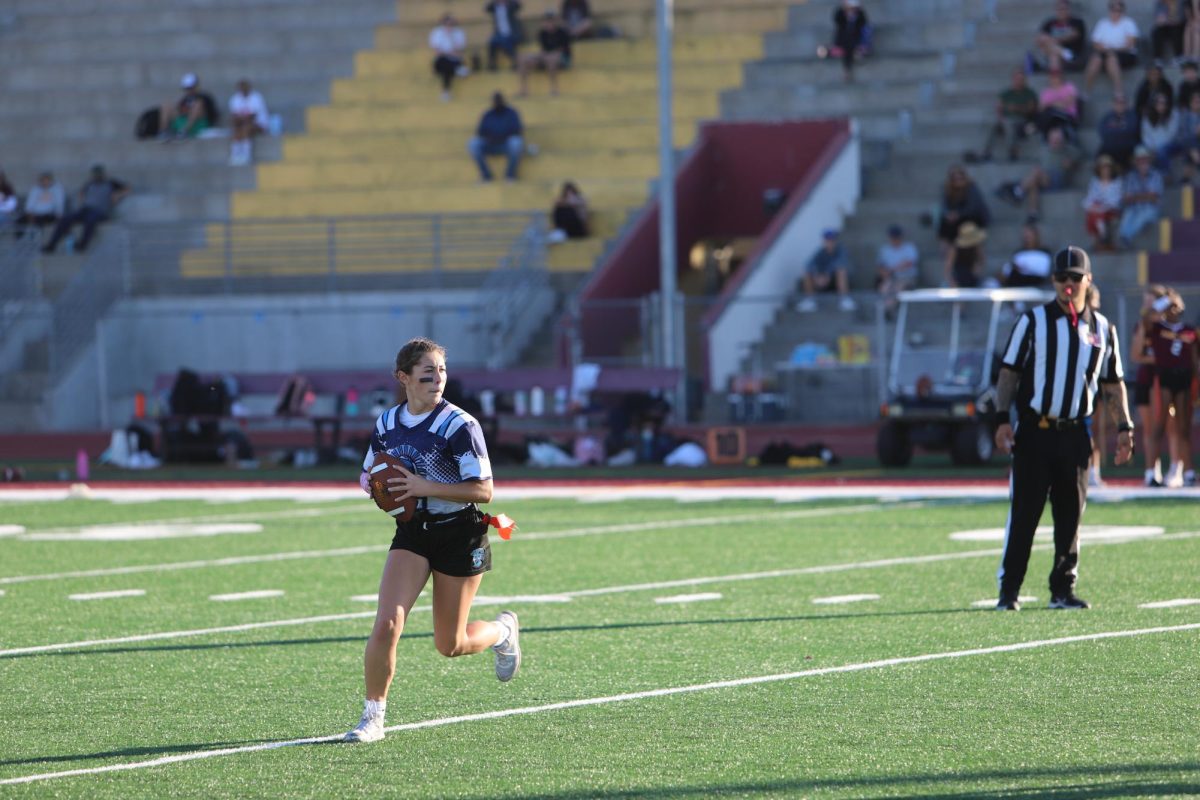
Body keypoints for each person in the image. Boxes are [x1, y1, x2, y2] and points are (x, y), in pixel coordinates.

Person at [342, 337, 521, 744]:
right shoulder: (387, 422)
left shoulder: (460, 424)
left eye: (441, 371)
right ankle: (373, 718)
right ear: (403, 378)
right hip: (412, 534)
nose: (437, 379)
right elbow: (371, 470)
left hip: (460, 533)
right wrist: (370, 483)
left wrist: (424, 485)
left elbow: (483, 490)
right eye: (427, 373)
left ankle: (502, 632)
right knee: (387, 621)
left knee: (451, 644)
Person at [992, 246, 1134, 611]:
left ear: (1088, 280)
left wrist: (1124, 426)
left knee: (1071, 515)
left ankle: (1062, 588)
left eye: (1074, 277)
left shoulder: (1102, 328)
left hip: (1075, 433)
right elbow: (1009, 373)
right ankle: (1009, 590)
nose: (1067, 284)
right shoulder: (1033, 322)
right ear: (1053, 281)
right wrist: (1000, 420)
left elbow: (1112, 382)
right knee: (1025, 513)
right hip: (1036, 430)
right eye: (1061, 277)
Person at [1147, 289, 1199, 486]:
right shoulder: (1158, 327)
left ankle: (1188, 472)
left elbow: (1194, 359)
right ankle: (1151, 472)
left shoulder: (1189, 330)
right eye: (1171, 304)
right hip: (1165, 378)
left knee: (1184, 427)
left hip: (1184, 379)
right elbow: (1146, 315)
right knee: (1159, 426)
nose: (1174, 308)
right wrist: (1165, 301)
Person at [1129, 284, 1177, 486]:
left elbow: (1175, 353)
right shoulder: (1142, 326)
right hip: (1147, 379)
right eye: (1146, 301)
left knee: (1171, 426)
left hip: (1168, 379)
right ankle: (1152, 470)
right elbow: (1136, 355)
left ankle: (1176, 468)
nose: (1148, 306)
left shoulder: (1170, 326)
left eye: (1152, 301)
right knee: (1149, 428)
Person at [40, 165, 129, 254]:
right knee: (65, 219)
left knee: (90, 220)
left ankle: (82, 245)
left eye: (99, 174)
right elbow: (81, 192)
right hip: (86, 209)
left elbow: (127, 188)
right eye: (95, 174)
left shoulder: (111, 183)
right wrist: (83, 199)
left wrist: (118, 195)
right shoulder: (90, 184)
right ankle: (51, 245)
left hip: (100, 212)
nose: (97, 176)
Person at [1008, 126, 1083, 216]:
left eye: (1058, 139)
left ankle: (1018, 191)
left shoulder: (1068, 149)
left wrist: (1072, 163)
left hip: (1057, 179)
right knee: (1033, 184)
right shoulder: (1043, 149)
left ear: (1062, 139)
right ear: (1049, 139)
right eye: (1053, 138)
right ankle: (1033, 213)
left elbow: (1080, 154)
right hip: (1044, 178)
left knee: (1037, 172)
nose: (1055, 141)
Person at [977, 69, 1040, 162]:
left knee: (1008, 123)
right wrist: (1000, 118)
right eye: (1017, 79)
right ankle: (986, 152)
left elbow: (1031, 109)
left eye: (1021, 79)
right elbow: (999, 107)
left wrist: (1017, 108)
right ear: (1013, 79)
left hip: (1023, 120)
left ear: (1025, 80)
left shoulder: (1029, 93)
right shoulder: (1006, 93)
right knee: (992, 122)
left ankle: (1012, 151)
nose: (1019, 81)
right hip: (1006, 119)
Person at [1084, 0, 1140, 96]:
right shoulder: (1102, 23)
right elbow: (1095, 43)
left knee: (1112, 58)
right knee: (1095, 59)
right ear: (1109, 10)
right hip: (1106, 51)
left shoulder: (1128, 23)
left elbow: (1130, 44)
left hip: (1126, 53)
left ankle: (1118, 91)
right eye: (1113, 10)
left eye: (1119, 10)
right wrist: (1106, 50)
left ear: (1123, 11)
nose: (1116, 12)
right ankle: (1086, 91)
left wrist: (1112, 50)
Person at [468, 92, 524, 182]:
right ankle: (486, 176)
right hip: (490, 144)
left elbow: (517, 130)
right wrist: (489, 137)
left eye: (499, 100)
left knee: (516, 143)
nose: (497, 102)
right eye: (495, 100)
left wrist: (502, 136)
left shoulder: (511, 113)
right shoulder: (488, 114)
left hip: (506, 144)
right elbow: (480, 131)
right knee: (473, 144)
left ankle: (510, 175)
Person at [797, 229, 855, 312]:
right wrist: (816, 276)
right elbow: (809, 264)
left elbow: (840, 263)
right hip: (824, 281)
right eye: (827, 240)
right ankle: (810, 300)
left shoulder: (842, 250)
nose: (829, 242)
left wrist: (827, 275)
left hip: (842, 281)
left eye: (832, 240)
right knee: (807, 272)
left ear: (835, 241)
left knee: (840, 270)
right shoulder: (820, 252)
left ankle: (844, 299)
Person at [1117, 146, 1164, 248]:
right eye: (1140, 160)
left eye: (1145, 159)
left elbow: (1153, 197)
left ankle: (1127, 237)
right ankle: (1123, 238)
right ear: (1136, 162)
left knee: (1144, 214)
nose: (1143, 162)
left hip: (1151, 208)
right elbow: (1126, 198)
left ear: (1149, 160)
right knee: (1128, 213)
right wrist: (1144, 196)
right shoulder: (1131, 176)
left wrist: (1135, 197)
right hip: (1134, 207)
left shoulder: (1156, 175)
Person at [937, 165, 991, 253]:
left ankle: (975, 254)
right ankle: (947, 251)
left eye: (960, 178)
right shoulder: (948, 190)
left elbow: (973, 208)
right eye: (955, 179)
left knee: (967, 226)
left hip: (974, 217)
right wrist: (948, 214)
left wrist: (957, 214)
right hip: (957, 218)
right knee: (945, 222)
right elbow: (943, 207)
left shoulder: (972, 188)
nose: (958, 181)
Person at [518, 11, 571, 96]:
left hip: (563, 59)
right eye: (547, 21)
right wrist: (537, 58)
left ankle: (554, 89)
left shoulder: (562, 32)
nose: (549, 23)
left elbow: (561, 51)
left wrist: (544, 56)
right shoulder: (542, 33)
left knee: (551, 58)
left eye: (551, 20)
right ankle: (524, 90)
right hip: (546, 57)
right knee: (523, 58)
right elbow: (543, 50)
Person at [1032, 0, 1088, 73]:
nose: (1061, 11)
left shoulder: (1077, 22)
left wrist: (1052, 40)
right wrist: (1050, 42)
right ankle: (1064, 53)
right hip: (1056, 54)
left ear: (1069, 9)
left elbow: (1073, 35)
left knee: (1053, 54)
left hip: (1074, 56)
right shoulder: (1049, 23)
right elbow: (1039, 39)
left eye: (1064, 9)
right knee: (1054, 55)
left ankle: (1054, 80)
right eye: (1059, 9)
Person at [158, 73, 219, 140]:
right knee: (166, 105)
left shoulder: (205, 98)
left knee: (198, 104)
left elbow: (211, 114)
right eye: (187, 88)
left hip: (199, 124)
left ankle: (185, 131)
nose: (189, 91)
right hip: (184, 121)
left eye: (191, 88)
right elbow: (180, 111)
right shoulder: (185, 99)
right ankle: (163, 131)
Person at [875, 224, 919, 316]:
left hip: (907, 277)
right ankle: (885, 310)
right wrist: (886, 274)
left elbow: (909, 263)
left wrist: (893, 269)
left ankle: (888, 309)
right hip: (890, 277)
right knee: (885, 287)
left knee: (898, 287)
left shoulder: (909, 248)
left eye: (896, 237)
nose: (895, 239)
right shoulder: (885, 250)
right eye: (893, 237)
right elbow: (880, 266)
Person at [1081, 154, 1123, 250]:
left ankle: (1102, 240)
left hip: (1112, 210)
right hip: (1098, 210)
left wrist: (1100, 208)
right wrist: (1094, 207)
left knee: (1096, 215)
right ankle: (1102, 239)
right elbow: (1089, 199)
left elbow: (1115, 202)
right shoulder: (1094, 182)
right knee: (1093, 214)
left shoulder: (1117, 183)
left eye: (1108, 168)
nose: (1106, 170)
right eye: (1103, 168)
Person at [999, 222, 1052, 287]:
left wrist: (1024, 268)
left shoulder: (1045, 252)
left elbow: (1043, 271)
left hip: (1036, 283)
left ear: (1036, 236)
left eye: (1029, 235)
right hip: (1018, 283)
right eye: (1025, 235)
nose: (1027, 238)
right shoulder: (1018, 253)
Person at [228, 79, 269, 166]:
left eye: (245, 88)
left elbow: (252, 117)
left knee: (246, 127)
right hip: (243, 123)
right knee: (236, 129)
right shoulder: (235, 98)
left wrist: (241, 118)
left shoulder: (256, 97)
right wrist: (241, 119)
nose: (243, 90)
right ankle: (236, 155)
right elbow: (234, 117)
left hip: (260, 124)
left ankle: (246, 156)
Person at [829, 0, 871, 83]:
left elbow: (864, 23)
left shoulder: (859, 14)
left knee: (851, 47)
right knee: (848, 48)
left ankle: (856, 56)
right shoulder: (841, 13)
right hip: (844, 41)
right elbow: (837, 20)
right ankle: (850, 66)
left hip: (856, 40)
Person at [430, 14, 469, 101]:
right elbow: (437, 52)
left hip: (453, 61)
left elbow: (459, 51)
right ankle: (457, 69)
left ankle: (446, 92)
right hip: (442, 61)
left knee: (447, 69)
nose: (449, 26)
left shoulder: (459, 33)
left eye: (451, 24)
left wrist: (451, 37)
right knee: (445, 63)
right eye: (447, 24)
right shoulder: (437, 33)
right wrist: (450, 53)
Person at [1141, 91, 1180, 174]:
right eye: (1158, 103)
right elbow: (1145, 136)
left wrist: (1157, 148)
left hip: (1172, 145)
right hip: (1153, 147)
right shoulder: (1147, 117)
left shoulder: (1174, 114)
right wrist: (1152, 148)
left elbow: (1172, 135)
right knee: (1140, 152)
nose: (1161, 105)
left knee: (1161, 151)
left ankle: (1165, 174)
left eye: (1163, 103)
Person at [1097, 93, 1140, 168]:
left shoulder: (1132, 116)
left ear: (1126, 104)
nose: (1120, 105)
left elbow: (1130, 131)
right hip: (1109, 146)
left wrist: (1113, 129)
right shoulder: (1107, 117)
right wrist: (1121, 128)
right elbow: (1103, 133)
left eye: (1122, 102)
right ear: (1113, 104)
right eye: (1117, 102)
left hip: (1127, 146)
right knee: (1100, 156)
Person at [945, 221, 986, 288]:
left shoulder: (976, 247)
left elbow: (982, 260)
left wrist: (978, 268)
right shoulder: (955, 249)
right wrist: (952, 282)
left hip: (972, 278)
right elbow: (948, 267)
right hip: (958, 279)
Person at [485, 0, 523, 72]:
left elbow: (519, 5)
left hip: (512, 33)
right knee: (492, 42)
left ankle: (516, 61)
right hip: (499, 34)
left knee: (505, 41)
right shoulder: (494, 6)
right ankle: (492, 64)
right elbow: (486, 8)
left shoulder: (511, 5)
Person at [1176, 90, 1200, 181]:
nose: (1198, 104)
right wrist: (1195, 132)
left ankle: (1185, 179)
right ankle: (1196, 159)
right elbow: (1183, 133)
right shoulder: (1185, 115)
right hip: (1188, 142)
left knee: (1190, 150)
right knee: (1189, 143)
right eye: (1196, 102)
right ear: (1190, 103)